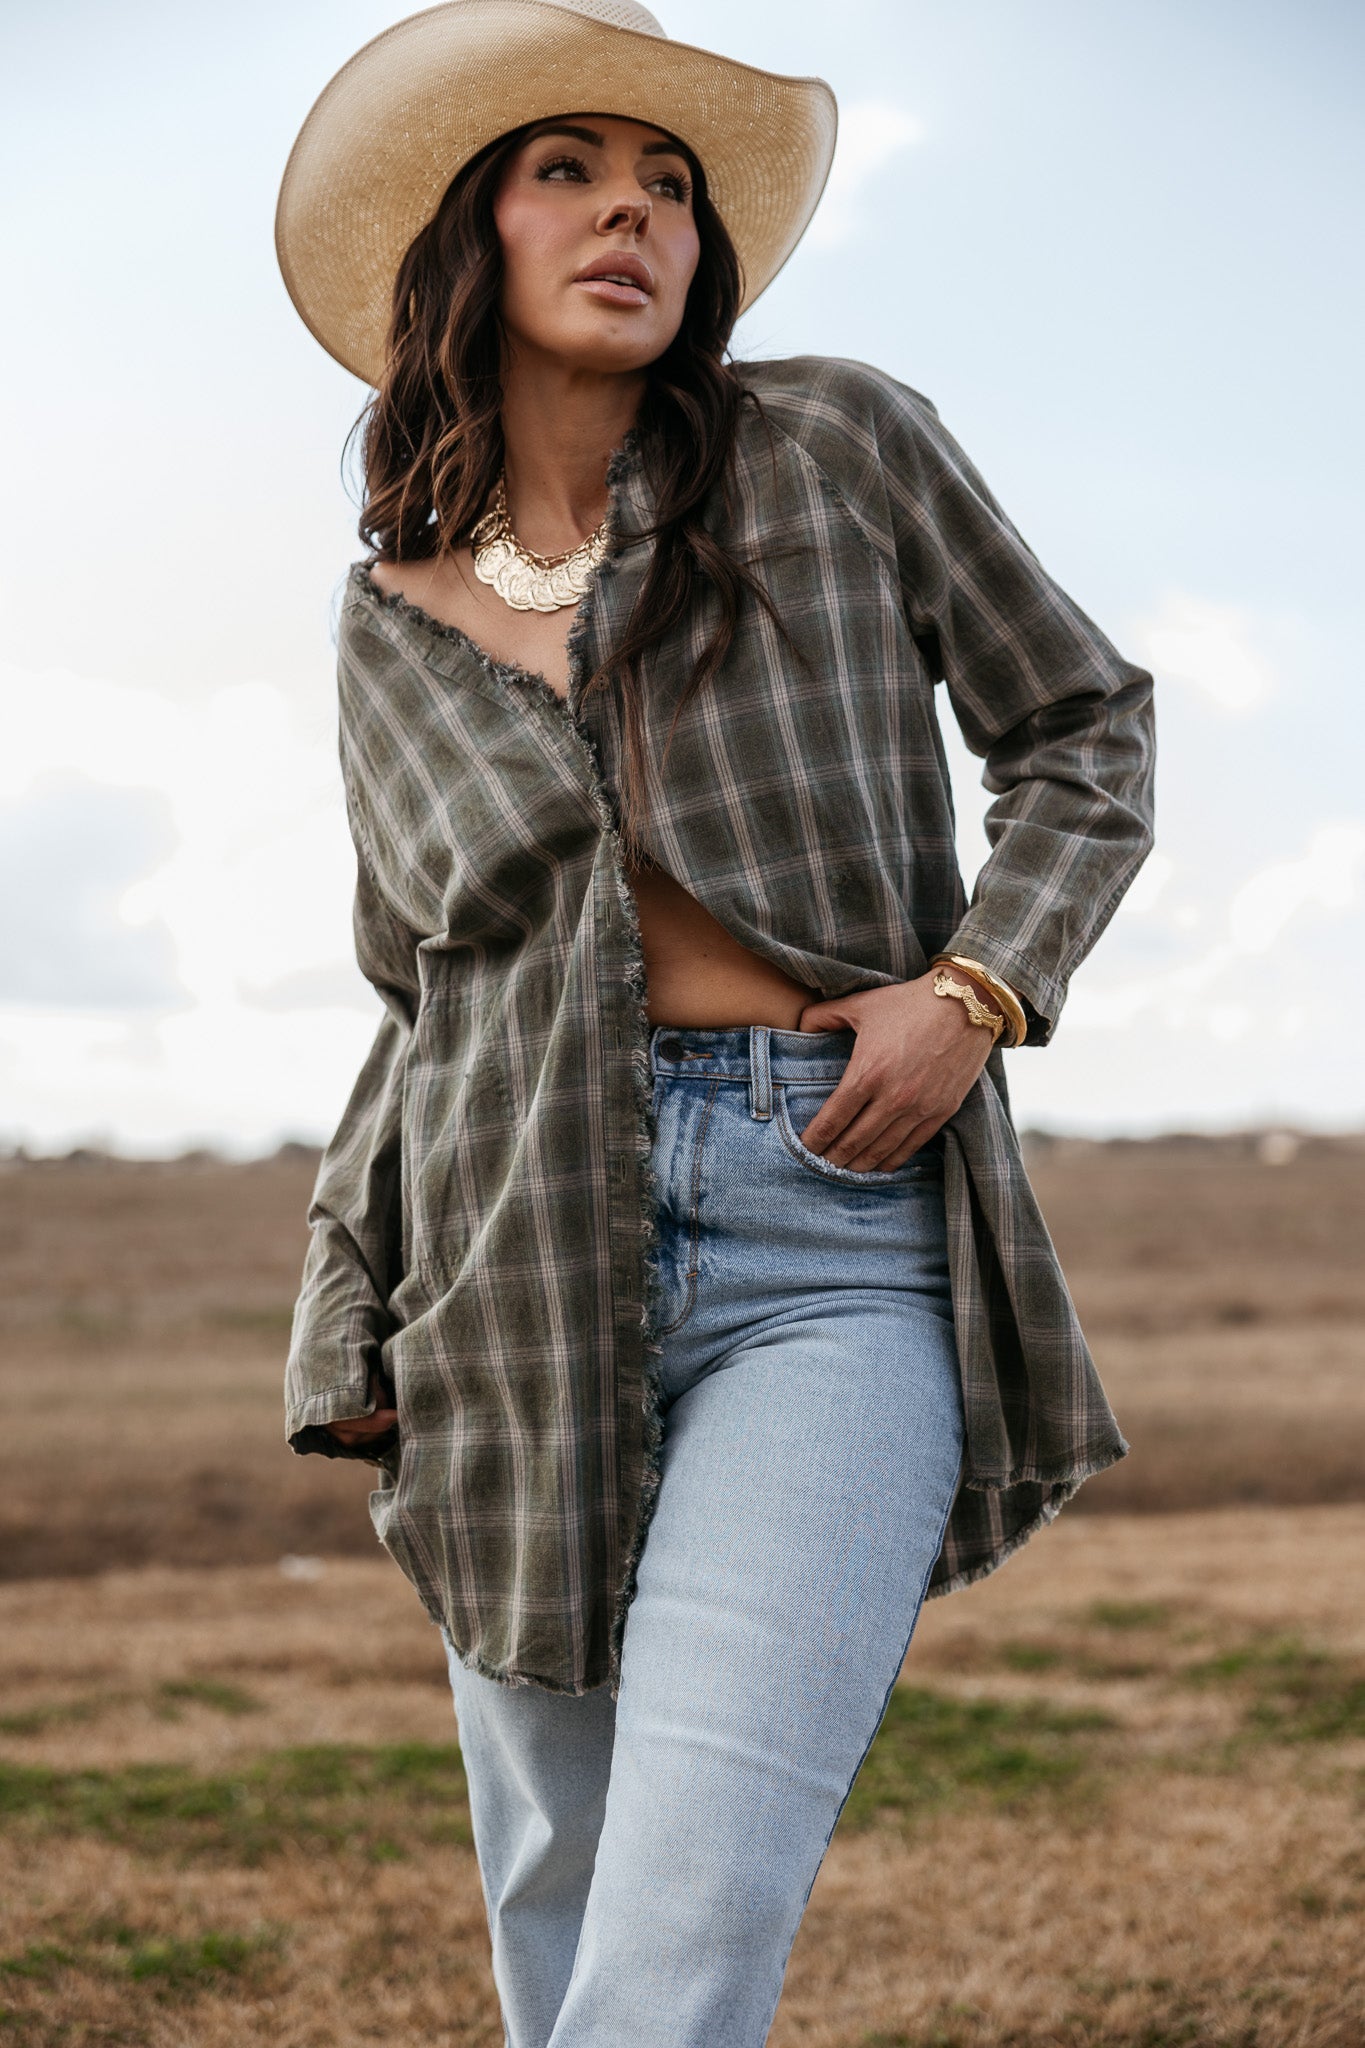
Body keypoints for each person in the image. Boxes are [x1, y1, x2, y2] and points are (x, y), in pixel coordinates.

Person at [276, 3, 1156, 2042]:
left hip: (822, 1231)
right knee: (559, 1887)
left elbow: (1081, 727)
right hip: (503, 1264)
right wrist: (356, 1309)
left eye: (665, 184)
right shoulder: (385, 604)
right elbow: (416, 996)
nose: (631, 213)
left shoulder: (833, 441)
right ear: (460, 241)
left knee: (687, 1898)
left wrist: (973, 988)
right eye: (565, 170)